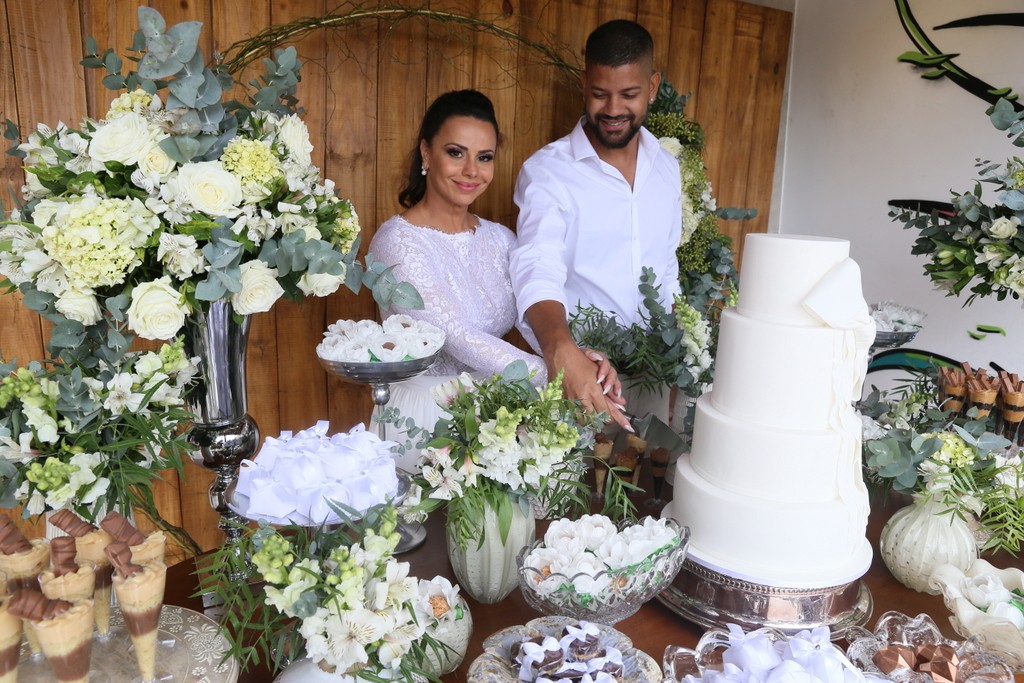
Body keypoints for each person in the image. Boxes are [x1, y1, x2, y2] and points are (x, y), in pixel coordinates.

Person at [369, 90, 617, 471]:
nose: (472, 170)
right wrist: (560, 372)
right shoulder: (396, 242)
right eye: (456, 153)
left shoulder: (501, 238)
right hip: (423, 419)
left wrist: (580, 356)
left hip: (498, 420)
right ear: (425, 152)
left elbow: (531, 319)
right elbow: (453, 335)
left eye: (484, 158)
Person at [509, 20, 682, 431]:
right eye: (600, 94)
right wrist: (561, 350)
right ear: (584, 83)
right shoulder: (548, 171)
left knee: (651, 490)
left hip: (657, 374)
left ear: (653, 86)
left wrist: (680, 357)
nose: (614, 110)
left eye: (630, 94)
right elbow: (536, 263)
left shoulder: (668, 169)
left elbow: (666, 265)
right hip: (581, 373)